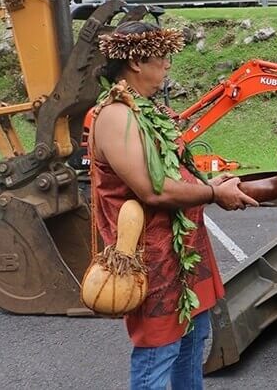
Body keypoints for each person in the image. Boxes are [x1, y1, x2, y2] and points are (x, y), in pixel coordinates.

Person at [87, 21, 258, 390]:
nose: (167, 65)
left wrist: (208, 184)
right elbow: (154, 191)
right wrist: (213, 194)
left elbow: (176, 176)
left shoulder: (146, 110)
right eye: (162, 57)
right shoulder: (117, 115)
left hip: (184, 254)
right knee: (158, 353)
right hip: (153, 260)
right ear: (136, 62)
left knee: (192, 344)